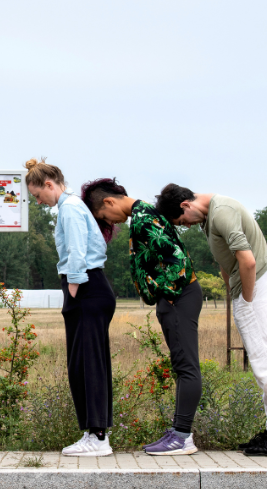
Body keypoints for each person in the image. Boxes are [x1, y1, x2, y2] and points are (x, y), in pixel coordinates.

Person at [156, 184, 267, 457]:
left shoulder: (222, 213)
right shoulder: (210, 219)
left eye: (182, 221)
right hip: (250, 287)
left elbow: (248, 261)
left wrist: (245, 299)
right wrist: (234, 293)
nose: (185, 225)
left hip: (257, 285)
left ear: (186, 205)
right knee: (262, 361)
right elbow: (227, 261)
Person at [81, 178, 202, 456]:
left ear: (109, 202)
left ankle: (183, 436)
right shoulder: (144, 213)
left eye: (103, 215)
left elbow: (176, 262)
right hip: (177, 297)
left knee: (186, 364)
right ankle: (180, 432)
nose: (109, 222)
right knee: (182, 362)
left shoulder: (142, 219)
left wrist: (165, 295)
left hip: (178, 297)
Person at [24, 158, 114, 457]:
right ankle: (93, 433)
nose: (38, 202)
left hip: (86, 287)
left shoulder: (70, 208)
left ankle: (98, 436)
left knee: (88, 364)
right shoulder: (70, 207)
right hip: (88, 287)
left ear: (49, 185)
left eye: (38, 195)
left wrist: (73, 284)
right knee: (83, 363)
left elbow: (77, 249)